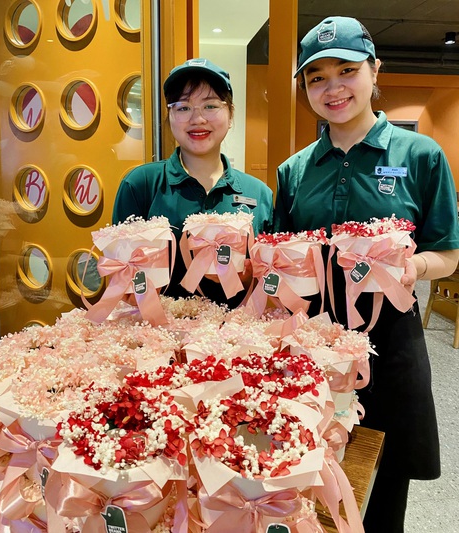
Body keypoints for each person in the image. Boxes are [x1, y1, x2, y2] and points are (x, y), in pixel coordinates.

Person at [274, 16, 459, 533]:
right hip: (312, 345)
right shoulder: (294, 171)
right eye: (317, 78)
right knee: (306, 482)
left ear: (375, 70)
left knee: (383, 489)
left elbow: (448, 253)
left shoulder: (420, 155)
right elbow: (280, 257)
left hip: (392, 343)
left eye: (347, 71)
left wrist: (410, 266)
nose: (332, 88)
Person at [113, 58, 273, 308]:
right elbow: (117, 278)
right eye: (183, 107)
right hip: (158, 329)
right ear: (169, 116)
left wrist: (251, 276)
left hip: (235, 330)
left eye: (210, 106)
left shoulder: (259, 194)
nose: (198, 119)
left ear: (230, 114)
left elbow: (274, 284)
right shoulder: (140, 184)